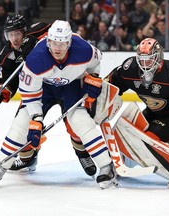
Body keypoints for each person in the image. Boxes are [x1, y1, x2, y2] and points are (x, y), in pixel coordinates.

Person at [0, 15, 96, 185]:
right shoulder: (7, 55)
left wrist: (34, 41)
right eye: (10, 35)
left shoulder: (40, 29)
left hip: (65, 82)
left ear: (24, 31)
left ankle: (83, 155)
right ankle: (28, 159)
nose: (14, 39)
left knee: (76, 123)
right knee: (24, 126)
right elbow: (8, 81)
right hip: (37, 90)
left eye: (17, 34)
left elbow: (61, 36)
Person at [17, 20, 117, 189]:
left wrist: (93, 77)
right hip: (44, 88)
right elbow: (23, 84)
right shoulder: (34, 50)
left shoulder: (81, 48)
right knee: (24, 125)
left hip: (71, 85)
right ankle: (27, 158)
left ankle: (91, 158)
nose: (57, 47)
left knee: (79, 125)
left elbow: (95, 61)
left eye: (61, 42)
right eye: (54, 42)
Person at [105, 38, 169, 188]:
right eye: (142, 59)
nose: (145, 64)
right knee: (125, 130)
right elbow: (110, 84)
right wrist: (96, 93)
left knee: (148, 139)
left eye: (149, 59)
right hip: (153, 113)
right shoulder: (130, 69)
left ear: (158, 58)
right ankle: (122, 160)